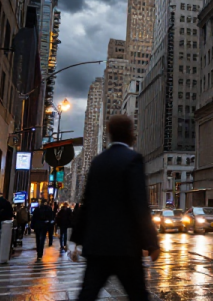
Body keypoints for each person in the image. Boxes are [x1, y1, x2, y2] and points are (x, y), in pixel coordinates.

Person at [74, 115, 159, 301]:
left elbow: (87, 203)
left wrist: (77, 239)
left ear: (109, 134)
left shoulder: (98, 162)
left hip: (97, 246)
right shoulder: (133, 159)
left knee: (87, 294)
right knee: (138, 295)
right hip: (125, 247)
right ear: (130, 134)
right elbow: (139, 205)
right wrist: (152, 242)